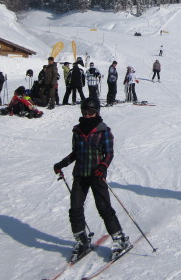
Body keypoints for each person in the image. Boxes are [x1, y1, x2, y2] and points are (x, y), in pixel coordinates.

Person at [52, 98, 132, 262]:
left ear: (97, 112)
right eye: (85, 112)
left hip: (96, 175)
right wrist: (62, 164)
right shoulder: (77, 130)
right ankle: (82, 241)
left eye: (91, 112)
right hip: (80, 174)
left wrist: (102, 166)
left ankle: (120, 239)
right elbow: (75, 153)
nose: (88, 115)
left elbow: (109, 154)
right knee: (75, 208)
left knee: (104, 208)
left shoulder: (104, 131)